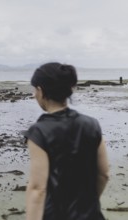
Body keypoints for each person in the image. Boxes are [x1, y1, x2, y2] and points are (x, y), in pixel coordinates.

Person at [24, 62, 109, 220]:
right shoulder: (92, 125)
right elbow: (103, 173)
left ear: (41, 91)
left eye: (34, 90)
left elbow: (37, 189)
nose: (33, 95)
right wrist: (87, 204)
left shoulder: (39, 131)